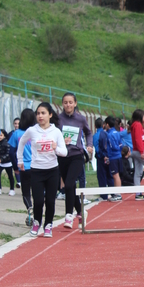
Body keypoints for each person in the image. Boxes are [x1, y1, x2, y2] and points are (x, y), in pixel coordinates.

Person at [17, 102, 67, 237]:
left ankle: (48, 225)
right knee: (38, 200)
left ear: (50, 115)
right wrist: (20, 160)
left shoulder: (56, 131)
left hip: (52, 170)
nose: (40, 116)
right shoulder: (32, 130)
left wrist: (55, 147)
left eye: (43, 113)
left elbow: (64, 152)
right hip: (36, 170)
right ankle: (37, 223)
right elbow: (21, 143)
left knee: (50, 200)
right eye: (38, 113)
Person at [57, 92, 94, 229]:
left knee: (68, 184)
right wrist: (61, 138)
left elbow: (88, 132)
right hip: (62, 156)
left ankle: (68, 216)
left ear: (75, 104)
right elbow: (53, 134)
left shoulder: (81, 119)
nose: (68, 105)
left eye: (70, 102)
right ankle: (80, 212)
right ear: (62, 104)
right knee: (70, 186)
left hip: (76, 155)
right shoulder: (58, 119)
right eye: (65, 102)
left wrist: (89, 145)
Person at [9, 108, 35, 223]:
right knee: (37, 191)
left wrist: (15, 167)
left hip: (23, 167)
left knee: (26, 192)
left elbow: (11, 152)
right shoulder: (36, 132)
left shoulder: (16, 134)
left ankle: (29, 207)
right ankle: (37, 213)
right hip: (37, 166)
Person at [101, 116, 123, 200]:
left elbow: (112, 146)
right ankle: (118, 193)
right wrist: (119, 150)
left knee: (115, 175)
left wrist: (110, 155)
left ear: (107, 124)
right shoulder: (117, 132)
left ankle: (118, 194)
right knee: (117, 175)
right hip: (118, 156)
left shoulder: (109, 135)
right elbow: (121, 144)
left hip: (113, 157)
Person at [93, 118, 113, 201]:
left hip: (101, 158)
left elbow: (97, 148)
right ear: (103, 125)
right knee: (109, 174)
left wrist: (101, 155)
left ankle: (104, 195)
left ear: (95, 126)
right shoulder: (107, 133)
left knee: (102, 176)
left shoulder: (95, 135)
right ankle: (113, 193)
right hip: (108, 156)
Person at [0, 129, 15, 196]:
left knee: (10, 176)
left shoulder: (7, 143)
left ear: (4, 136)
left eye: (1, 135)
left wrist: (2, 159)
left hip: (7, 162)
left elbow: (8, 153)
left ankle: (12, 189)